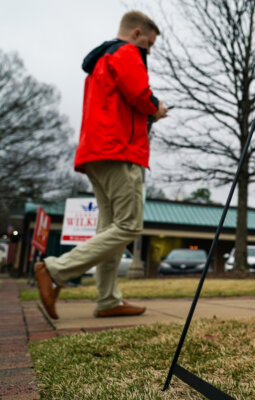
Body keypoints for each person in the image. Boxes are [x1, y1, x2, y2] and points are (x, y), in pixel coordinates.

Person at [34, 10, 168, 319]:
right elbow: (139, 94)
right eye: (149, 44)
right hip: (119, 151)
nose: (148, 51)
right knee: (129, 225)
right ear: (136, 33)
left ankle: (108, 299)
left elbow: (122, 99)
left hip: (97, 151)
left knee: (110, 227)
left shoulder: (102, 60)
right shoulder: (126, 52)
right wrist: (155, 110)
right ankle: (54, 269)